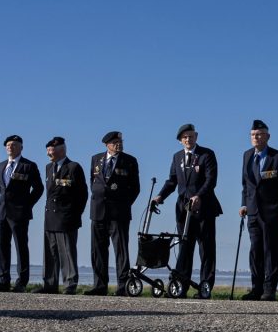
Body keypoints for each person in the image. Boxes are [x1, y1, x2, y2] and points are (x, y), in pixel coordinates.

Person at [154, 123, 222, 297]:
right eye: (184, 137)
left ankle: (205, 287)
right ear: (180, 141)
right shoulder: (177, 157)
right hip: (184, 209)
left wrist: (198, 195)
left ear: (196, 137)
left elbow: (210, 180)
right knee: (185, 248)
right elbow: (172, 181)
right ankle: (181, 287)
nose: (188, 140)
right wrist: (160, 196)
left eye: (191, 136)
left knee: (206, 249)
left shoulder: (207, 154)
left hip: (204, 207)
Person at [239, 120, 278, 301]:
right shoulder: (247, 156)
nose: (256, 137)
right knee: (255, 251)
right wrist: (243, 204)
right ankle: (256, 288)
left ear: (267, 136)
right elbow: (246, 185)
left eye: (259, 134)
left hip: (272, 213)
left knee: (271, 251)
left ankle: (269, 290)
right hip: (253, 212)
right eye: (253, 134)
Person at [87, 131, 141, 296]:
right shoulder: (96, 159)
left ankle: (122, 286)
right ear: (107, 145)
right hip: (98, 212)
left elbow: (135, 188)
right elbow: (93, 182)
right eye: (115, 142)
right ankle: (100, 285)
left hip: (119, 213)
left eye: (120, 141)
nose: (119, 144)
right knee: (98, 250)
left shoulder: (129, 161)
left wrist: (123, 204)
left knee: (121, 251)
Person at [0, 135, 44, 292]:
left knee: (21, 246)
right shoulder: (1, 166)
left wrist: (26, 204)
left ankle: (21, 281)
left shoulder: (28, 166)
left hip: (20, 213)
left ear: (21, 147)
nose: (10, 147)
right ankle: (3, 280)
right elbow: (0, 187)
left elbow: (39, 188)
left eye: (14, 145)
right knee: (2, 246)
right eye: (8, 145)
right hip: (2, 212)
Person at [40, 137, 88, 294]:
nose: (49, 154)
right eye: (47, 150)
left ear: (62, 150)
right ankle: (49, 284)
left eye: (51, 151)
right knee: (50, 253)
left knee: (67, 253)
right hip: (50, 217)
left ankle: (69, 285)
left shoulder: (73, 167)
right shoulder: (48, 168)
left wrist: (74, 215)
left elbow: (82, 195)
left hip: (66, 218)